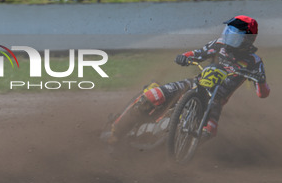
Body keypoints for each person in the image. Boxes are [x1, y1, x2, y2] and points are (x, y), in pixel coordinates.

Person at [104, 16, 270, 145]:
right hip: (193, 85)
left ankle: (178, 156)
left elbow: (263, 94)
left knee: (208, 132)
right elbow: (197, 53)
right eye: (228, 31)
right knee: (153, 95)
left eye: (235, 35)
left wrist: (261, 81)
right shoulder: (219, 44)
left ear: (248, 40)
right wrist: (184, 57)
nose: (229, 36)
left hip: (216, 100)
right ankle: (116, 132)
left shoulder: (254, 62)